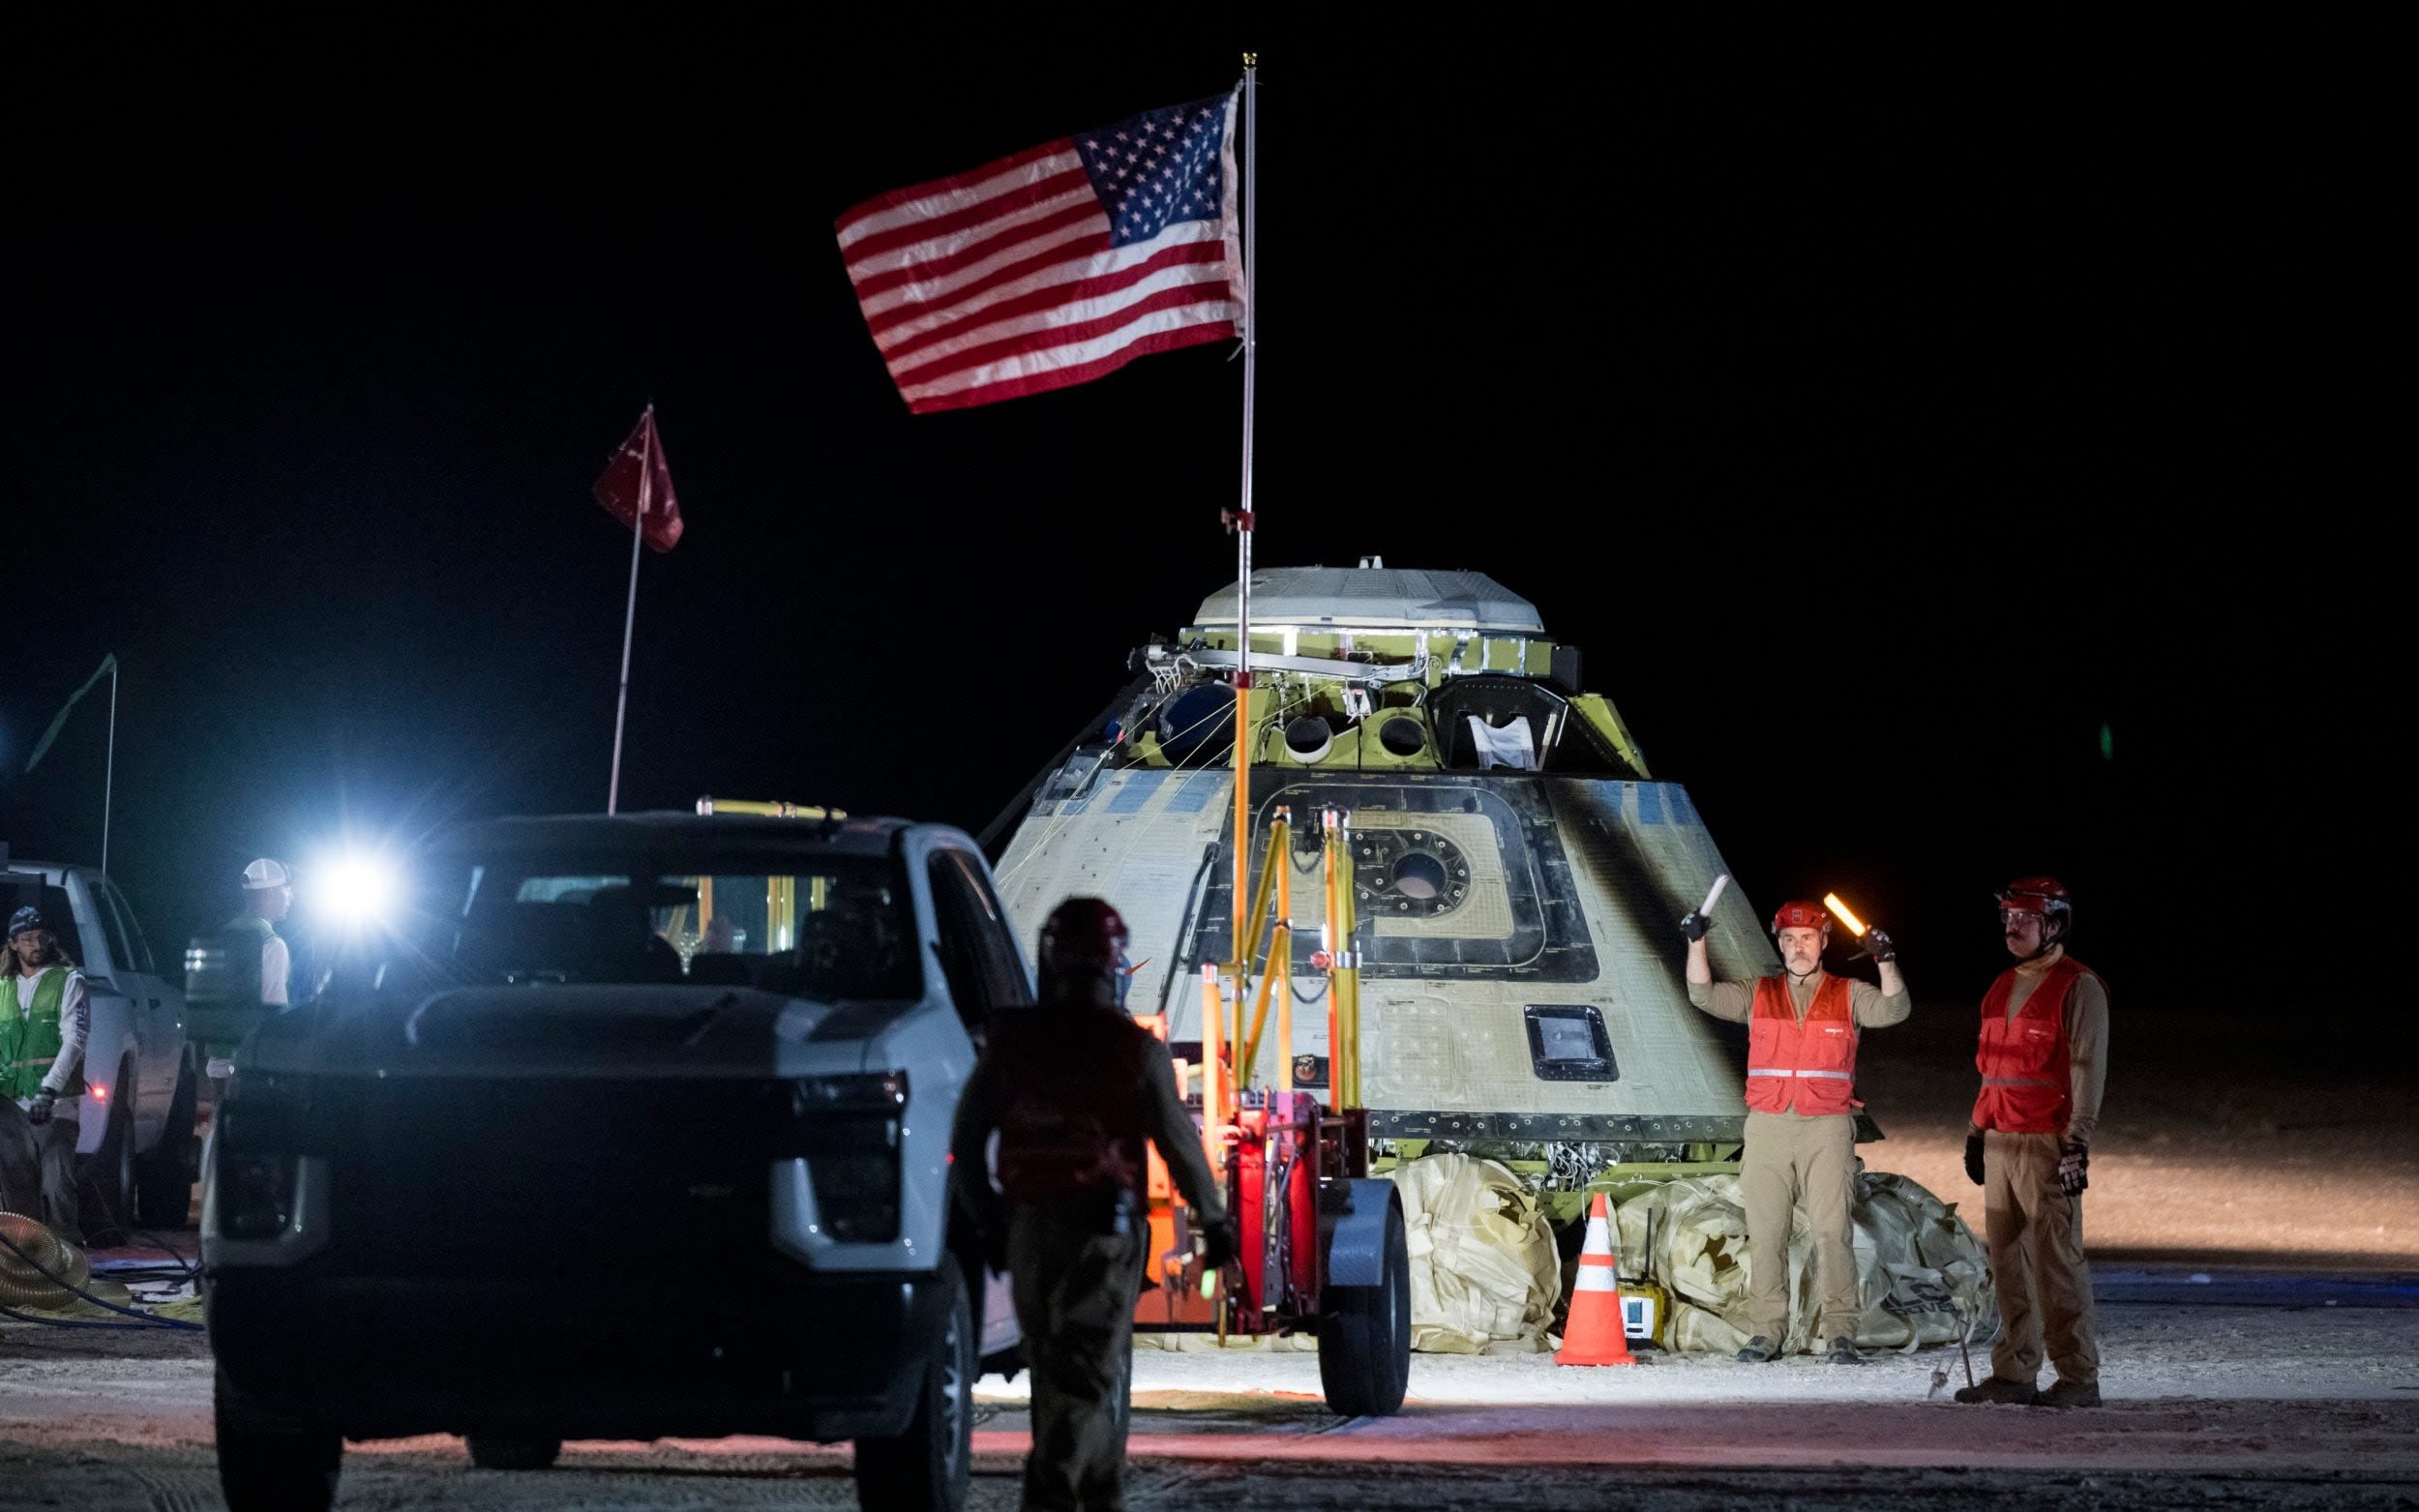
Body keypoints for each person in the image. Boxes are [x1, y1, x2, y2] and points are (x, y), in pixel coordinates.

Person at [949, 898, 1235, 1512]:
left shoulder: (1011, 1044)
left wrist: (990, 1219)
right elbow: (1180, 1146)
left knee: (1057, 1374)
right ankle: (1048, 1498)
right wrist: (1214, 1222)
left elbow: (966, 1142)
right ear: (1114, 968)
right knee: (1086, 1377)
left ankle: (1100, 1497)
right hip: (1101, 1238)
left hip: (1028, 1230)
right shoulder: (1132, 1049)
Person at [1685, 897, 1909, 1364]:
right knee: (1765, 1233)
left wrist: (1885, 959)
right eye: (1789, 938)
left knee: (1832, 1232)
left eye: (1807, 938)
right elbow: (1703, 995)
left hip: (1826, 1127)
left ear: (1823, 941)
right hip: (1767, 1127)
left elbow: (1894, 1011)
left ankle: (1841, 1332)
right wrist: (1696, 942)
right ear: (1780, 943)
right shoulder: (1758, 992)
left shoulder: (1848, 993)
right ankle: (1766, 1332)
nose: (1798, 947)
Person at [1954, 875, 2108, 1408]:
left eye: (2024, 919)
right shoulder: (2000, 985)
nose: (2012, 928)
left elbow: (2088, 1068)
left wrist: (2077, 1143)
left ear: (2055, 924)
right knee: (2008, 1264)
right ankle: (2015, 1372)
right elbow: (1991, 1071)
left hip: (2047, 1143)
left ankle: (2078, 1376)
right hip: (2000, 1141)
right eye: (2008, 919)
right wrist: (1977, 1131)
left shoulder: (2078, 986)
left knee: (2057, 1263)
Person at [0, 906, 91, 1242]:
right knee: (16, 1196)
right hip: (10, 1106)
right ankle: (29, 1270)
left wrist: (48, 1089)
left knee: (58, 1188)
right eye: (27, 939)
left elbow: (75, 1039)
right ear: (13, 944)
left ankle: (68, 1268)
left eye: (40, 937)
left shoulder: (68, 981)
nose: (35, 945)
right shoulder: (3, 987)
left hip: (55, 1107)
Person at [226, 858, 294, 1007]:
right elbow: (274, 1010)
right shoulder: (273, 944)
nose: (291, 896)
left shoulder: (225, 931)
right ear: (269, 893)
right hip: (250, 1029)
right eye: (287, 888)